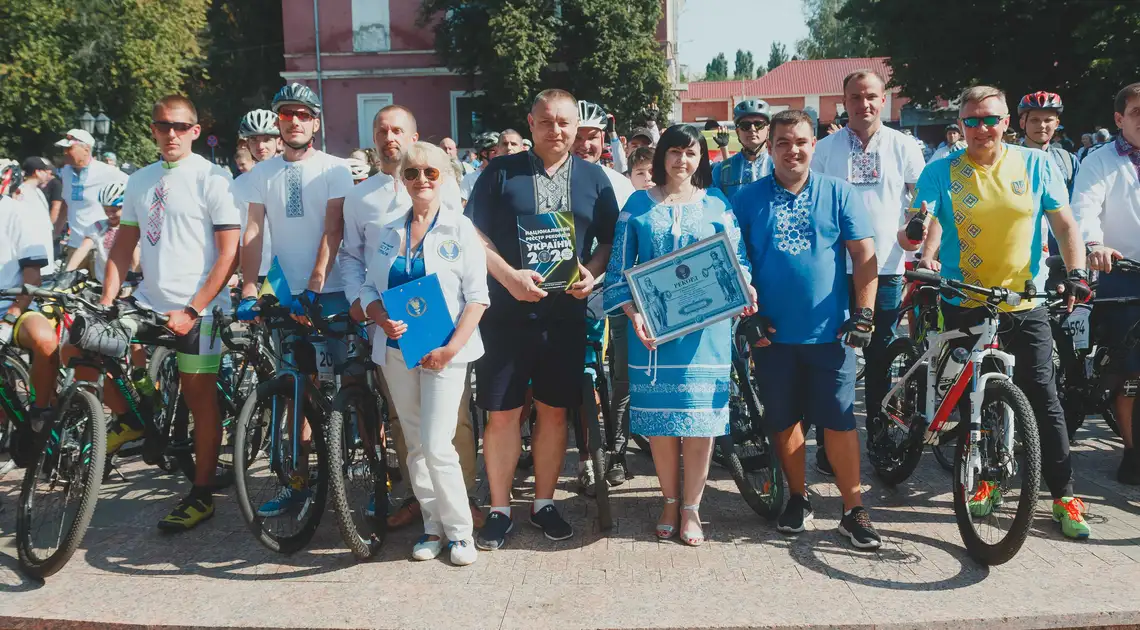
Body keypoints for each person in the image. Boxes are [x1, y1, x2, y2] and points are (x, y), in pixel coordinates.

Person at [911, 85, 1091, 539]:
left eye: (989, 119)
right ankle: (987, 480)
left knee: (1043, 399)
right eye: (970, 121)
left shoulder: (1035, 164)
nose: (981, 129)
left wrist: (1077, 272)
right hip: (964, 297)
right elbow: (926, 221)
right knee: (978, 396)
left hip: (1022, 301)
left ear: (1006, 121)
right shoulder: (941, 170)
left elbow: (1065, 224)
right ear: (960, 125)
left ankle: (1064, 494)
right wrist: (922, 249)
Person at [465, 88, 618, 550]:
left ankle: (545, 503)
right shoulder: (498, 172)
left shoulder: (596, 179)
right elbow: (473, 232)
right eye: (547, 122)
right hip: (507, 314)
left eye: (565, 123)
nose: (557, 130)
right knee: (502, 413)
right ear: (531, 124)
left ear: (578, 128)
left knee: (554, 414)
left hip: (565, 317)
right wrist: (509, 277)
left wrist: (591, 275)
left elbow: (609, 241)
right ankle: (498, 508)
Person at [734, 109, 882, 550]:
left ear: (813, 144)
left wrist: (865, 313)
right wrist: (747, 313)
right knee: (783, 420)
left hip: (831, 333)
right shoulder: (747, 197)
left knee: (839, 421)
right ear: (771, 147)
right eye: (783, 142)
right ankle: (798, 498)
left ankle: (854, 509)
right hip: (772, 334)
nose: (792, 150)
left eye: (800, 141)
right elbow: (733, 262)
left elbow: (864, 256)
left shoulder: (839, 193)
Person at [603, 124, 755, 546]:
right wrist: (633, 313)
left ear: (701, 158)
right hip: (651, 334)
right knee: (663, 425)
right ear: (661, 156)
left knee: (700, 422)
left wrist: (744, 285)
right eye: (674, 152)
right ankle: (669, 500)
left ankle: (692, 508)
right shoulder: (637, 206)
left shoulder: (716, 205)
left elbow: (737, 259)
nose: (682, 161)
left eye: (691, 153)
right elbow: (617, 271)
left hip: (706, 333)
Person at [99, 94, 241, 531]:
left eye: (180, 126)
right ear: (154, 129)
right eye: (163, 125)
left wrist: (194, 308)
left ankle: (201, 494)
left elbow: (229, 253)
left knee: (200, 401)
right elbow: (123, 247)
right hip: (149, 304)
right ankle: (131, 421)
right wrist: (106, 303)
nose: (171, 133)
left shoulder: (214, 178)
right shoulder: (139, 180)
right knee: (82, 348)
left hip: (200, 311)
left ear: (195, 131)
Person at [338, 104, 477, 530]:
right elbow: (353, 260)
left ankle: (461, 511)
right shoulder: (362, 199)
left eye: (398, 129)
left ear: (415, 137)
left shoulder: (449, 198)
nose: (389, 136)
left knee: (450, 431)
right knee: (411, 434)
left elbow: (472, 269)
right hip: (395, 338)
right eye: (382, 130)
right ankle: (428, 514)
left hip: (443, 338)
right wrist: (366, 307)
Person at [359, 141, 489, 566]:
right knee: (414, 446)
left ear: (445, 177)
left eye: (430, 173)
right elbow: (367, 289)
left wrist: (451, 349)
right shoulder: (387, 231)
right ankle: (432, 527)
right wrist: (378, 315)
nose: (421, 180)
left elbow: (477, 298)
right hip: (397, 352)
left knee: (437, 445)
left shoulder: (460, 229)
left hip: (444, 353)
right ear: (402, 179)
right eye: (412, 173)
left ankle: (460, 532)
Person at [238, 83, 354, 517]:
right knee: (295, 390)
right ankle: (298, 482)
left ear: (316, 123)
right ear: (278, 121)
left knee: (353, 380)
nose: (295, 121)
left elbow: (333, 229)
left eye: (304, 115)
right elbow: (252, 233)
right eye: (287, 114)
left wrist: (317, 282)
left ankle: (376, 472)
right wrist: (251, 286)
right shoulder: (259, 175)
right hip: (290, 293)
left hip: (337, 289)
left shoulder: (334, 169)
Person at [809, 69, 926, 474]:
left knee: (880, 358)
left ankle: (878, 439)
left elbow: (919, 202)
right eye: (856, 97)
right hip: (833, 267)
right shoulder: (825, 148)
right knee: (831, 356)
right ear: (844, 101)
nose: (865, 104)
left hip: (887, 268)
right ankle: (828, 444)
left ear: (884, 98)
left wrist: (918, 231)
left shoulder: (905, 146)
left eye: (872, 96)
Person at [1070, 82, 1140, 485]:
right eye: (1136, 113)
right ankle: (1132, 451)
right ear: (1119, 119)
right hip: (1122, 272)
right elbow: (1085, 208)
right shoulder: (1100, 161)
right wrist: (1094, 245)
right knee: (1130, 368)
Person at [571, 100, 637, 490]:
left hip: (614, 290)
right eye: (578, 137)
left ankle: (617, 450)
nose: (584, 144)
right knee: (581, 375)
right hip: (572, 291)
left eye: (591, 137)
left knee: (621, 377)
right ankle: (584, 455)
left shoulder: (622, 184)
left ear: (604, 139)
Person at [0, 161, 57, 469]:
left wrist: (10, 317)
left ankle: (40, 411)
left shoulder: (17, 212)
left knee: (46, 339)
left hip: (14, 302)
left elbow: (32, 278)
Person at [55, 128, 128, 274]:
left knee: (102, 292)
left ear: (86, 149)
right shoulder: (65, 172)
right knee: (68, 291)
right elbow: (66, 204)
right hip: (75, 246)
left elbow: (133, 192)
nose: (65, 153)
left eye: (69, 148)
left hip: (101, 248)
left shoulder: (107, 172)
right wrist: (55, 233)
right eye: (64, 149)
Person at [231, 109, 282, 282]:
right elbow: (238, 229)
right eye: (254, 140)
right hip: (257, 271)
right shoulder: (239, 184)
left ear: (279, 141)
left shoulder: (292, 175)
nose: (260, 147)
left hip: (290, 269)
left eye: (267, 139)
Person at [65, 182, 139, 284]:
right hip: (103, 281)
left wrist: (134, 282)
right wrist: (67, 274)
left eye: (114, 211)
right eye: (106, 210)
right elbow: (83, 249)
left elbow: (136, 260)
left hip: (127, 282)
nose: (110, 215)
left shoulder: (134, 229)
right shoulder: (99, 226)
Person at [711, 99, 773, 201]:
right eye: (745, 126)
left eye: (758, 124)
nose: (752, 129)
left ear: (768, 130)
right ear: (737, 131)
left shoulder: (780, 166)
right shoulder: (721, 170)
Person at [1019, 92, 1079, 195]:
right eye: (1034, 120)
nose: (1042, 125)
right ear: (1022, 123)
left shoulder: (1068, 161)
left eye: (1048, 120)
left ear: (1056, 124)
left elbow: (1079, 202)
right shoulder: (1007, 159)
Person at [459, 132, 499, 204]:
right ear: (484, 153)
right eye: (496, 151)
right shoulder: (469, 178)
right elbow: (463, 205)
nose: (500, 154)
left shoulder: (506, 175)